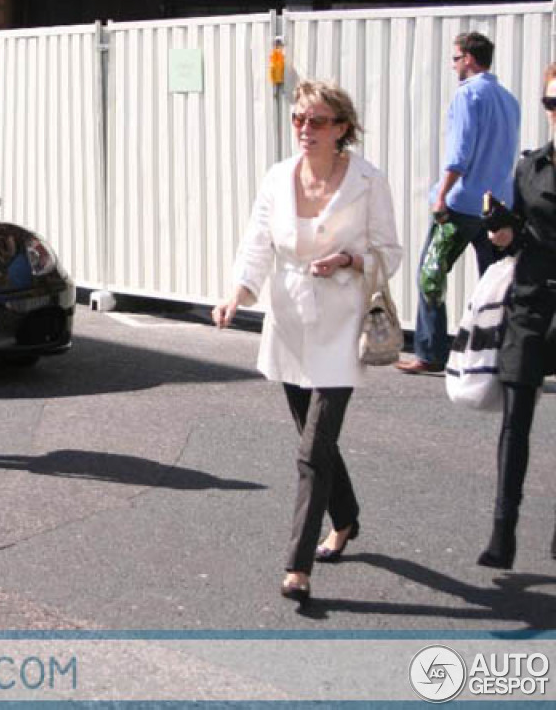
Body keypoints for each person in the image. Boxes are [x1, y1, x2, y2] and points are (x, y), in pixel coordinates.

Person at [212, 80, 402, 602]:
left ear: (342, 127)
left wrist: (347, 259)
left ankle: (297, 567)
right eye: (298, 118)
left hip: (342, 324)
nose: (304, 129)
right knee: (313, 440)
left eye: (316, 121)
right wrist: (238, 293)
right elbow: (258, 242)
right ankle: (347, 520)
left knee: (313, 449)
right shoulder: (278, 178)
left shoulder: (367, 181)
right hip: (290, 320)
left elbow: (391, 251)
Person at [397, 32, 520, 375]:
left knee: (430, 273)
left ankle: (430, 352)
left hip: (462, 203)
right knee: (494, 282)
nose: (453, 66)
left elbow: (459, 154)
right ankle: (498, 354)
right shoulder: (509, 99)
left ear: (468, 58)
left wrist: (441, 196)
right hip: (497, 206)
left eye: (455, 59)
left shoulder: (468, 95)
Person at [475, 62, 556, 569]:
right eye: (552, 103)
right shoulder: (530, 168)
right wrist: (503, 232)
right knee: (515, 422)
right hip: (530, 300)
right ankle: (502, 532)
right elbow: (520, 232)